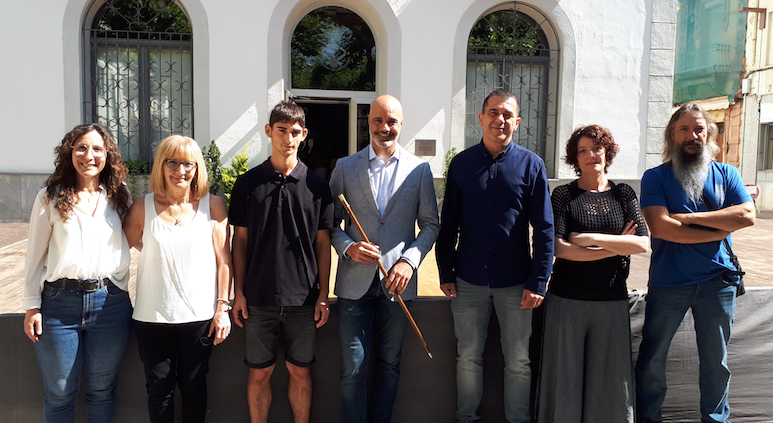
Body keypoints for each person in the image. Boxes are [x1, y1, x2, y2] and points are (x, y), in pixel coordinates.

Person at [436, 89, 554, 423]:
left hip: (516, 283)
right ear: (481, 118)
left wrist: (539, 281)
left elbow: (544, 228)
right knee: (467, 357)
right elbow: (449, 224)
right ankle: (467, 418)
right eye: (493, 113)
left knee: (518, 361)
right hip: (468, 280)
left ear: (517, 122)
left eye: (507, 115)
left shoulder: (531, 165)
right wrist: (445, 271)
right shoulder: (462, 164)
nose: (499, 120)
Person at [635, 103, 755, 423]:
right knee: (652, 359)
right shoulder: (655, 177)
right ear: (672, 136)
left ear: (709, 134)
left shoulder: (727, 173)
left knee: (716, 363)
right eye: (684, 129)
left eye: (699, 129)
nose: (692, 135)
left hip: (719, 283)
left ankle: (716, 420)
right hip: (669, 282)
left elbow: (746, 215)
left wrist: (690, 219)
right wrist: (720, 228)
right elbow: (661, 228)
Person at [330, 94, 440, 423]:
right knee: (353, 367)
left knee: (389, 365)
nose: (384, 127)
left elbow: (431, 225)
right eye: (378, 120)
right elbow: (329, 224)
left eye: (391, 121)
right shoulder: (345, 167)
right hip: (354, 283)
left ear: (401, 124)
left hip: (397, 285)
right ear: (368, 122)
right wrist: (348, 247)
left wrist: (409, 261)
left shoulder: (419, 170)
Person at [537, 125, 649, 423]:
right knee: (565, 379)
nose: (591, 155)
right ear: (575, 158)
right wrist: (616, 246)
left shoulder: (624, 194)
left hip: (611, 301)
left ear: (607, 152)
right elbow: (558, 248)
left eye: (597, 148)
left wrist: (590, 239)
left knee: (611, 384)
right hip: (567, 300)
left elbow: (642, 244)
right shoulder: (563, 195)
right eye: (583, 150)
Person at [229, 101, 333, 423]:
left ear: (304, 135)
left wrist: (323, 295)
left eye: (295, 132)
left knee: (300, 371)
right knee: (260, 373)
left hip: (304, 300)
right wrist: (238, 293)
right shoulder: (247, 184)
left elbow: (323, 244)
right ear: (268, 131)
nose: (288, 138)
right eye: (281, 130)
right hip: (258, 299)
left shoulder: (318, 187)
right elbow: (240, 241)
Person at [23, 123, 133, 422]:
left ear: (108, 155)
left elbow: (137, 236)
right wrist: (32, 305)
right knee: (59, 392)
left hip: (110, 304)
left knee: (101, 390)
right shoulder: (50, 196)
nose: (89, 155)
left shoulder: (119, 194)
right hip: (58, 305)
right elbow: (35, 255)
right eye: (81, 147)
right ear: (69, 153)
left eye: (97, 149)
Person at [123, 135, 232, 423]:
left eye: (188, 164)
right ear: (161, 165)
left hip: (199, 317)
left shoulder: (213, 206)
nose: (180, 170)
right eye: (172, 162)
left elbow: (224, 261)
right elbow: (118, 251)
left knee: (194, 388)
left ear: (197, 168)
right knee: (159, 391)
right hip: (152, 316)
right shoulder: (142, 207)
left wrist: (222, 308)